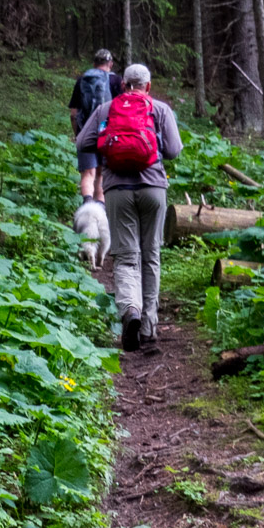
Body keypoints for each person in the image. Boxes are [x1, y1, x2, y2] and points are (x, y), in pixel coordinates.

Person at [75, 63, 182, 351]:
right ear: (148, 86)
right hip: (153, 189)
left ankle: (129, 311)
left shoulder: (107, 110)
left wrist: (108, 147)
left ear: (123, 84)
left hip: (117, 191)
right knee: (151, 256)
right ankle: (148, 326)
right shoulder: (160, 110)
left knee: (125, 258)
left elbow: (82, 142)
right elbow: (172, 150)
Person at [67, 49, 118, 203]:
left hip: (85, 132)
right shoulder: (116, 81)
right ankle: (100, 210)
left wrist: (78, 135)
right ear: (110, 64)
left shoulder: (83, 79)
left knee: (88, 174)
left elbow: (74, 113)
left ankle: (87, 206)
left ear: (94, 63)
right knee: (101, 174)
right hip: (107, 134)